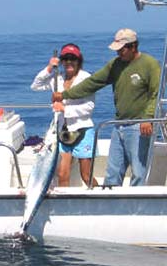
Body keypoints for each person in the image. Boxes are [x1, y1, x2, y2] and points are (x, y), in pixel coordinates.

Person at [52, 28, 161, 186]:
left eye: (122, 49)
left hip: (139, 125)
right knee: (113, 172)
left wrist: (148, 118)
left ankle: (134, 208)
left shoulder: (149, 64)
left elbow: (155, 94)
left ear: (133, 46)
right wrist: (64, 95)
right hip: (118, 125)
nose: (119, 53)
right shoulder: (115, 64)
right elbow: (92, 83)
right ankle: (111, 206)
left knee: (138, 171)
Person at [31, 43, 98, 187]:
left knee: (86, 176)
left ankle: (102, 200)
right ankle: (64, 207)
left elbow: (89, 107)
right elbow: (36, 85)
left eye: (73, 58)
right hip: (62, 131)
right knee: (62, 174)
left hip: (83, 130)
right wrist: (49, 67)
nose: (69, 62)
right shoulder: (57, 78)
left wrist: (64, 109)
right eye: (65, 58)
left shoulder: (86, 79)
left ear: (79, 61)